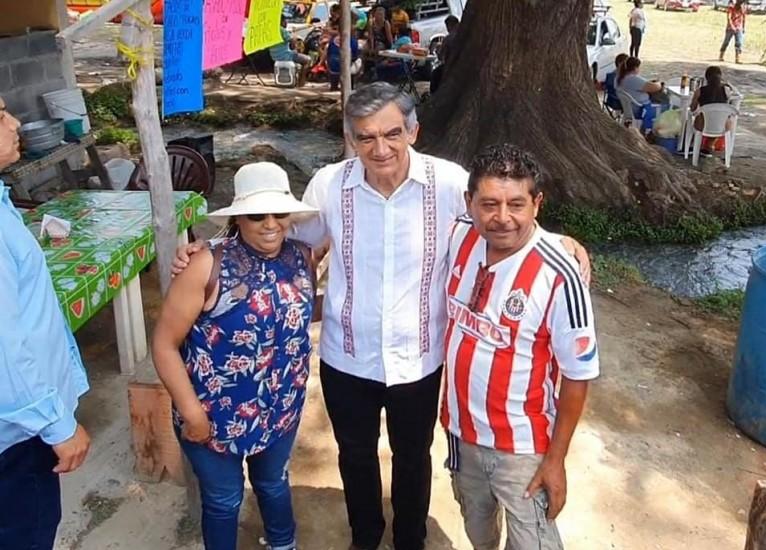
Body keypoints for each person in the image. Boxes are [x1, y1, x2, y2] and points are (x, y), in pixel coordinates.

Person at [173, 83, 591, 550]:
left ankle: (410, 539)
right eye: (366, 137)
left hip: (420, 359)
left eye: (392, 133)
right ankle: (365, 537)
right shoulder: (330, 185)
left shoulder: (449, 183)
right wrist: (212, 250)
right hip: (347, 356)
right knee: (355, 455)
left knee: (414, 456)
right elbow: (286, 241)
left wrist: (558, 242)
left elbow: (501, 212)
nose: (380, 148)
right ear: (351, 138)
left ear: (413, 131)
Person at [153, 163, 317, 550]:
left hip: (281, 409)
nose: (270, 224)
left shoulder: (303, 256)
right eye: (257, 215)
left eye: (279, 213)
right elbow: (163, 343)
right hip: (214, 416)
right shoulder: (205, 265)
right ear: (238, 218)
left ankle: (283, 544)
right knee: (224, 500)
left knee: (273, 482)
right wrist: (191, 412)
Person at [442, 144, 599, 550]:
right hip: (461, 432)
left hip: (522, 449)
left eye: (516, 204)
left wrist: (555, 460)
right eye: (489, 204)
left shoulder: (560, 275)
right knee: (478, 530)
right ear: (469, 203)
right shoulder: (459, 235)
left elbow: (578, 376)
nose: (502, 217)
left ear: (537, 204)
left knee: (534, 542)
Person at [0, 95, 91, 549]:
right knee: (28, 532)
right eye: (0, 115)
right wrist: (55, 423)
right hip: (18, 436)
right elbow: (4, 347)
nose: (16, 123)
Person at [689, 66, 736, 156]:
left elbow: (692, 108)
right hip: (722, 126)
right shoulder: (726, 90)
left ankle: (693, 144)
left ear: (706, 78)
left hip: (703, 125)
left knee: (693, 119)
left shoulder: (699, 91)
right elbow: (729, 103)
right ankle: (709, 145)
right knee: (720, 119)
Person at [616, 57, 669, 130]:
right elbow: (654, 88)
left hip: (631, 107)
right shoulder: (632, 79)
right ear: (635, 68)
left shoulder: (620, 78)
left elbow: (643, 85)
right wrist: (659, 83)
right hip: (640, 109)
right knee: (667, 104)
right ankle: (660, 130)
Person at [269, 16, 312, 86]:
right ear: (282, 22)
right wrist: (295, 47)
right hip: (285, 56)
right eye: (285, 21)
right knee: (308, 60)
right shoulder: (282, 30)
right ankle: (301, 83)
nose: (286, 23)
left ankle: (298, 80)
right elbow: (292, 41)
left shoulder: (271, 30)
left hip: (274, 56)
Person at [430, 15, 460, 94]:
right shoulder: (465, 34)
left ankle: (434, 95)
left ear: (449, 25)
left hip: (451, 66)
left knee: (435, 73)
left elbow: (440, 57)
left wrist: (438, 49)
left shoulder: (448, 38)